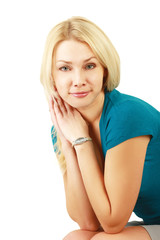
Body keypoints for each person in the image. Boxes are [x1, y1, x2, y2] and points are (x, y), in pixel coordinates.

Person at [40, 16, 160, 240]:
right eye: (65, 68)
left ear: (104, 70)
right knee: (76, 238)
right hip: (155, 223)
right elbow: (88, 221)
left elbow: (113, 222)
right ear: (52, 76)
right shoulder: (65, 126)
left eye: (89, 66)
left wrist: (82, 142)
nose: (78, 80)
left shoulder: (126, 115)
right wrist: (68, 143)